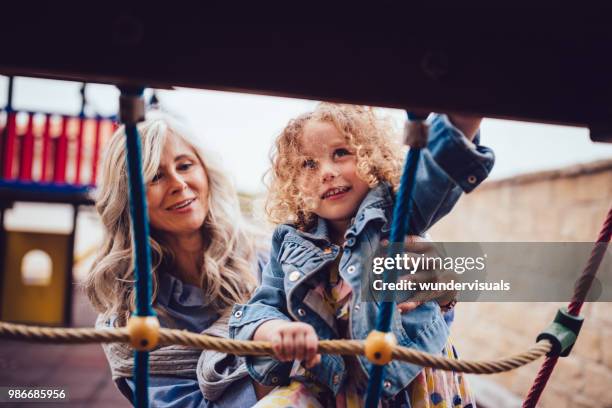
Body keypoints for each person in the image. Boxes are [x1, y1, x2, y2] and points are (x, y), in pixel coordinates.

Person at [229, 104, 495, 407]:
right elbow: (263, 307)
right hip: (333, 384)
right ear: (293, 183)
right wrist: (277, 330)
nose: (327, 172)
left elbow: (435, 170)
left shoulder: (396, 213)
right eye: (308, 164)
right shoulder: (290, 241)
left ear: (370, 155)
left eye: (341, 153)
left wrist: (464, 113)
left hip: (408, 380)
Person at [85, 113, 266, 407]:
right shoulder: (126, 317)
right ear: (127, 196)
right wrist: (273, 371)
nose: (179, 183)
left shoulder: (268, 258)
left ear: (206, 171)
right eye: (156, 176)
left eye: (185, 165)